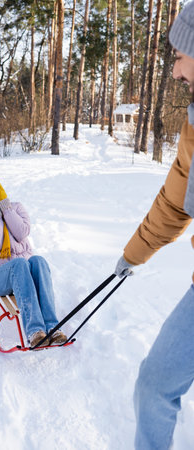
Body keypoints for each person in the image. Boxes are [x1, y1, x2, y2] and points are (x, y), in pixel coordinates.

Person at [114, 2, 194, 449]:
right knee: (155, 385)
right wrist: (132, 254)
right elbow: (174, 202)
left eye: (181, 56)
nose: (176, 71)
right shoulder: (192, 127)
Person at [0, 170, 67, 349]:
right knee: (20, 263)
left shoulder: (16, 207)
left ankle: (53, 327)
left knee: (38, 260)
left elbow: (22, 233)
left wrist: (6, 210)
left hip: (23, 273)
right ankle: (35, 332)